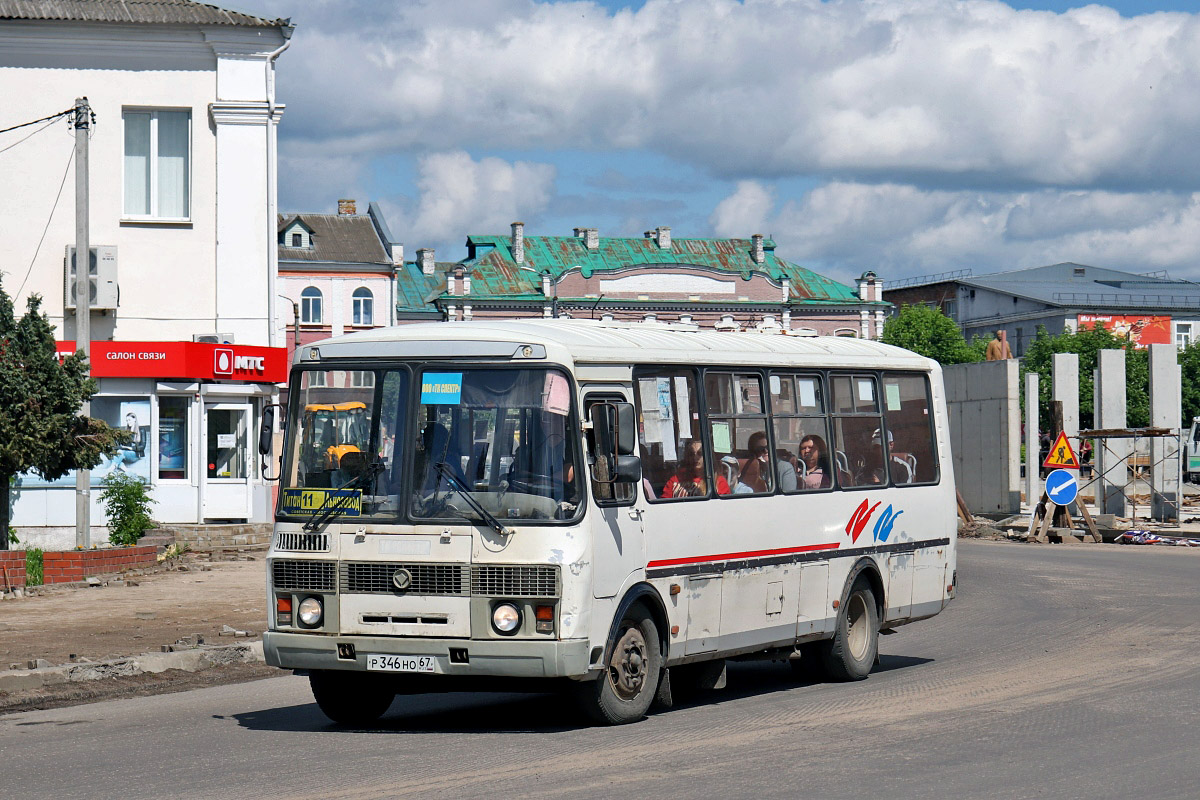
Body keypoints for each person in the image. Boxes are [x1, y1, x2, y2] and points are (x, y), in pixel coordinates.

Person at [663, 440, 730, 497]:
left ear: (708, 456)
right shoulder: (676, 480)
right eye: (692, 454)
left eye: (700, 454)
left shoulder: (718, 482)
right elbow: (665, 504)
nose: (695, 458)